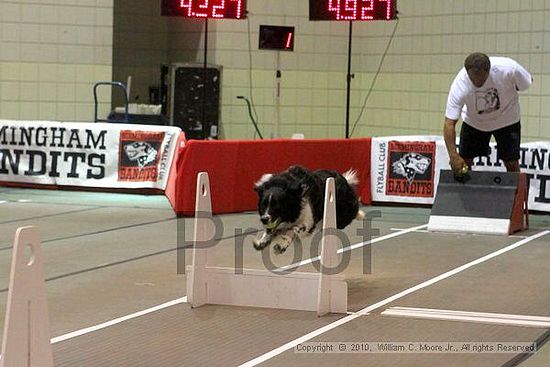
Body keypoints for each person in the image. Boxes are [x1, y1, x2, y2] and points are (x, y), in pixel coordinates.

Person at [443, 52, 533, 174]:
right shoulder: (460, 84)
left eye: (480, 77)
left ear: (488, 70)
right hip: (474, 122)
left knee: (511, 163)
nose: (476, 81)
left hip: (507, 120)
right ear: (466, 72)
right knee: (464, 162)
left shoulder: (509, 69)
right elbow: (449, 123)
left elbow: (527, 82)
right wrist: (453, 155)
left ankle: (517, 192)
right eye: (472, 77)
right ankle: (465, 192)